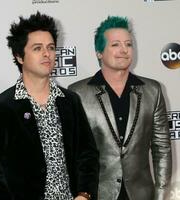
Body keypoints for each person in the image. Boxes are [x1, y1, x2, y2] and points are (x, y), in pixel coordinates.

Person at [0, 12, 99, 200]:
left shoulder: (70, 100)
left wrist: (84, 194)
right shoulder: (2, 106)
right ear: (19, 56)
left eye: (51, 47)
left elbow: (87, 154)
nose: (47, 54)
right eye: (37, 48)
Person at [69, 16, 172, 200]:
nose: (124, 50)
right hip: (96, 194)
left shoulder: (153, 90)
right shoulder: (77, 93)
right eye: (115, 44)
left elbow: (162, 148)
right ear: (99, 52)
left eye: (129, 44)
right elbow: (73, 153)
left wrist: (161, 194)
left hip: (142, 194)